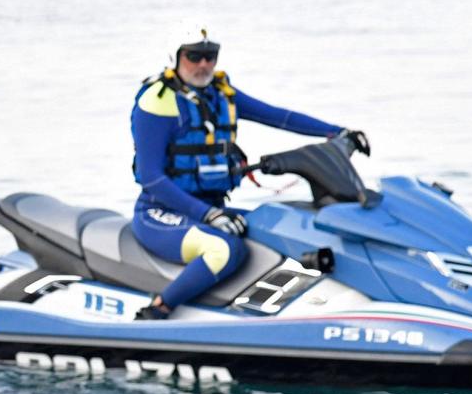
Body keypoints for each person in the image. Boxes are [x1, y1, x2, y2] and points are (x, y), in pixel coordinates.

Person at [130, 27, 364, 321]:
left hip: (212, 208)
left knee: (282, 225)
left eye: (210, 56)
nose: (204, 64)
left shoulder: (218, 94)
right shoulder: (157, 100)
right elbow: (151, 178)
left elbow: (279, 116)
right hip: (160, 213)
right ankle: (160, 308)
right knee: (224, 249)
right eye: (194, 56)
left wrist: (339, 132)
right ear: (175, 57)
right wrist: (209, 215)